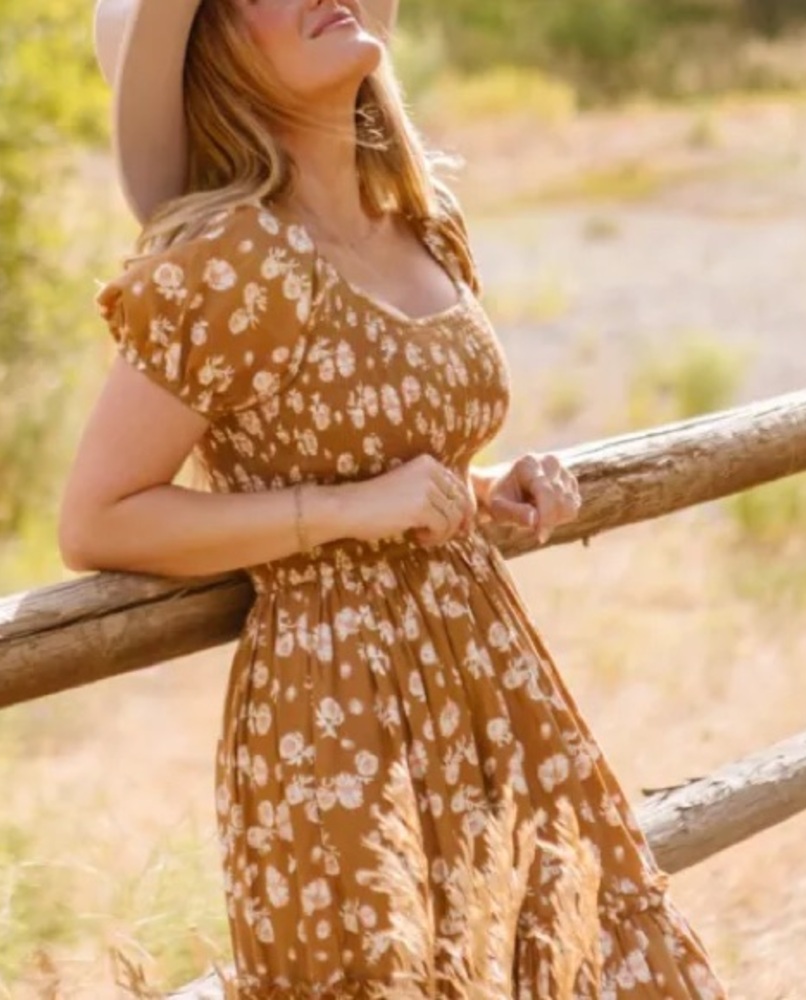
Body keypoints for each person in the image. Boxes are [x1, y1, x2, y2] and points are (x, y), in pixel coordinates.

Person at [59, 0, 729, 996]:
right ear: (216, 57)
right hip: (340, 720)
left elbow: (386, 454)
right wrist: (347, 512)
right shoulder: (227, 264)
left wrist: (487, 485)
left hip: (496, 689)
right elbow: (98, 517)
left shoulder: (421, 221)